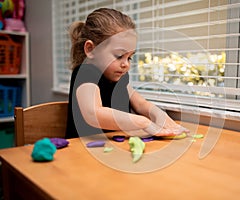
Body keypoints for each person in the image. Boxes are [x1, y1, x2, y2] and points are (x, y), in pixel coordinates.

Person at [65, 8, 189, 139]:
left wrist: (161, 116)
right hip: (81, 151)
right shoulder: (85, 72)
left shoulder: (119, 77)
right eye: (119, 56)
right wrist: (143, 122)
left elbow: (141, 104)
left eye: (129, 57)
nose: (126, 64)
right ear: (91, 49)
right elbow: (93, 113)